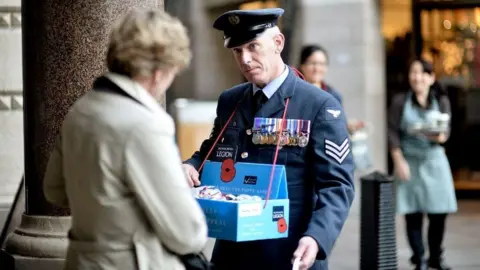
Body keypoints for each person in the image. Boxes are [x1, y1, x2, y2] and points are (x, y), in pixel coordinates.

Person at [182, 8, 355, 270]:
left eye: (253, 47)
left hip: (289, 253)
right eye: (237, 51)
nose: (246, 59)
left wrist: (317, 237)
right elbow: (214, 150)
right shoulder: (231, 100)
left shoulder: (319, 105)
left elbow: (337, 185)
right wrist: (192, 165)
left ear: (278, 43)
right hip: (233, 254)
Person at [43, 9, 208, 270]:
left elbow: (54, 191)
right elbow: (187, 234)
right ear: (159, 71)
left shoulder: (80, 110)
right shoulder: (145, 125)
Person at [388, 58, 457, 270]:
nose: (417, 77)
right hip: (409, 160)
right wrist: (398, 161)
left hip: (435, 160)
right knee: (413, 213)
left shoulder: (441, 100)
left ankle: (436, 256)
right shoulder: (400, 101)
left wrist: (437, 135)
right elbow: (392, 132)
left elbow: (445, 134)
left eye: (422, 73)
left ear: (431, 77)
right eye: (413, 72)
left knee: (439, 212)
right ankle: (420, 259)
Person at [299, 44, 363, 134]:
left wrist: (347, 125)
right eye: (312, 63)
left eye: (321, 64)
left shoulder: (334, 96)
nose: (316, 68)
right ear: (302, 65)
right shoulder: (294, 93)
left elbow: (338, 126)